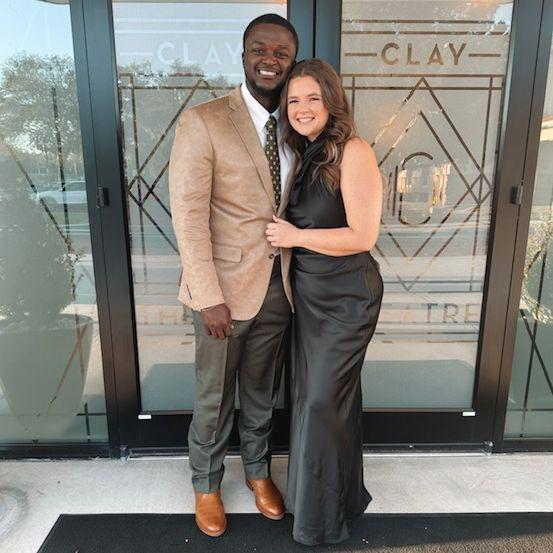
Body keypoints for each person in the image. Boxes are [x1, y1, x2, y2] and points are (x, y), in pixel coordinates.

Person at [168, 14, 298, 538]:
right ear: (243, 55)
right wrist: (208, 297)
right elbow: (188, 216)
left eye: (281, 53)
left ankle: (258, 471)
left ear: (292, 61)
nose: (270, 59)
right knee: (214, 396)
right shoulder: (204, 121)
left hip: (279, 287)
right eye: (260, 49)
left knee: (262, 392)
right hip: (220, 292)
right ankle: (206, 482)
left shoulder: (296, 124)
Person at [266, 58, 384, 545]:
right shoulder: (303, 153)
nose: (302, 108)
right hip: (310, 300)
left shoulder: (353, 151)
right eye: (293, 100)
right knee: (324, 402)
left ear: (331, 100)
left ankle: (319, 524)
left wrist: (295, 236)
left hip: (346, 299)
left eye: (312, 97)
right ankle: (341, 499)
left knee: (319, 403)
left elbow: (363, 235)